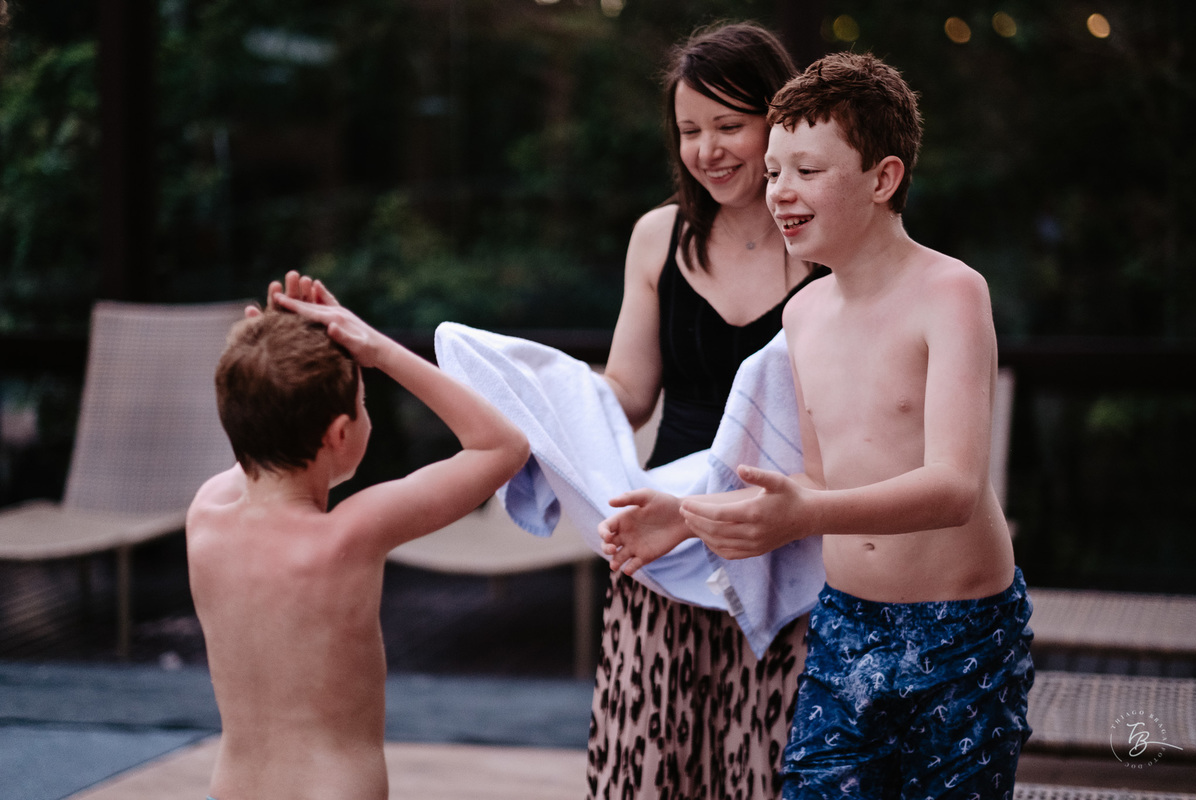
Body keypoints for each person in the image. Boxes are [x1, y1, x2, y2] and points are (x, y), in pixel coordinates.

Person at [601, 52, 1034, 798]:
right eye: (774, 173)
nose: (778, 193)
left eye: (805, 171)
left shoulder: (952, 292)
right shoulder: (803, 314)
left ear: (883, 178)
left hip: (959, 631)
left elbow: (955, 487)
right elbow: (816, 481)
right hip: (843, 628)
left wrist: (808, 513)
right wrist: (687, 514)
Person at [590, 21, 829, 800]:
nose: (708, 150)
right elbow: (627, 393)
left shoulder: (830, 242)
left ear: (780, 121)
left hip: (785, 552)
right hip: (664, 547)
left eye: (730, 125)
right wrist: (536, 406)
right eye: (691, 130)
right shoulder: (659, 235)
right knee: (647, 776)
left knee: (767, 774)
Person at [186, 277, 529, 800]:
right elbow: (501, 446)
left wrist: (259, 359)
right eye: (364, 402)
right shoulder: (348, 535)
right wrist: (377, 347)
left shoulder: (204, 517)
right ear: (340, 434)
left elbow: (258, 429)